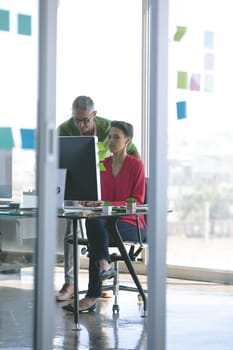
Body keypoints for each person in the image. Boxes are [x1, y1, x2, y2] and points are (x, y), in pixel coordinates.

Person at [56, 96, 140, 301]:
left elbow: (132, 158)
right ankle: (75, 280)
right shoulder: (65, 129)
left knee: (95, 224)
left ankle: (96, 286)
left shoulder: (108, 128)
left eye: (85, 120)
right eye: (77, 120)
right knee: (77, 224)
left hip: (113, 202)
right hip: (76, 182)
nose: (81, 125)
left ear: (94, 115)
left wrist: (133, 171)